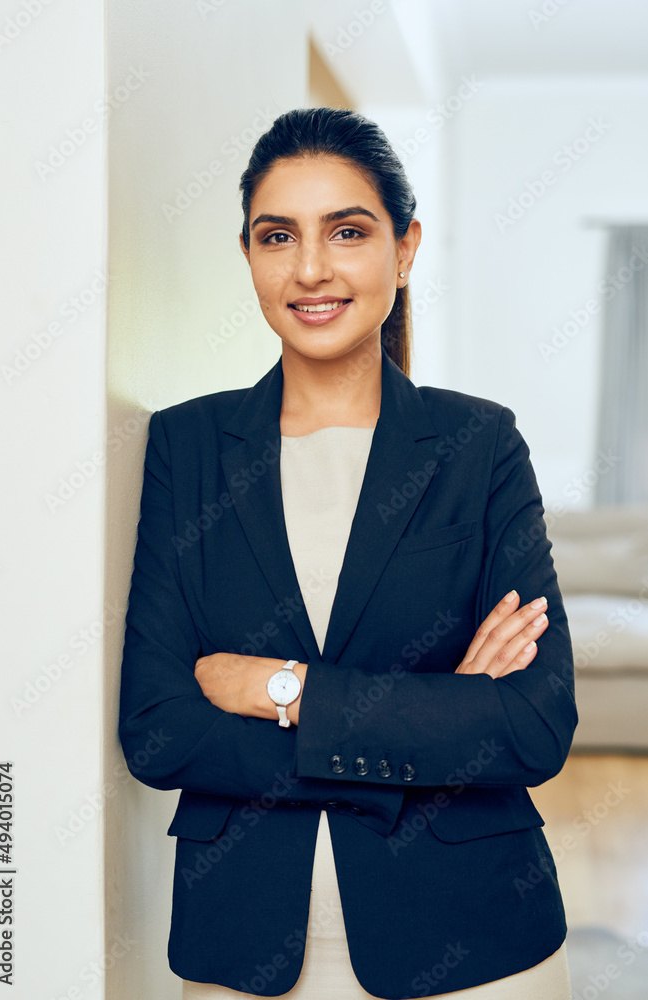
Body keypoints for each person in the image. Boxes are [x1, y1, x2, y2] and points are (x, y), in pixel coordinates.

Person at [118, 106, 577, 999]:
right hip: (242, 944)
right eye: (277, 235)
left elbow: (529, 725)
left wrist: (280, 690)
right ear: (247, 255)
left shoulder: (476, 444)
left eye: (348, 231)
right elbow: (159, 729)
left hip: (475, 942)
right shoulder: (187, 446)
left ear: (404, 251)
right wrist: (434, 715)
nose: (311, 268)